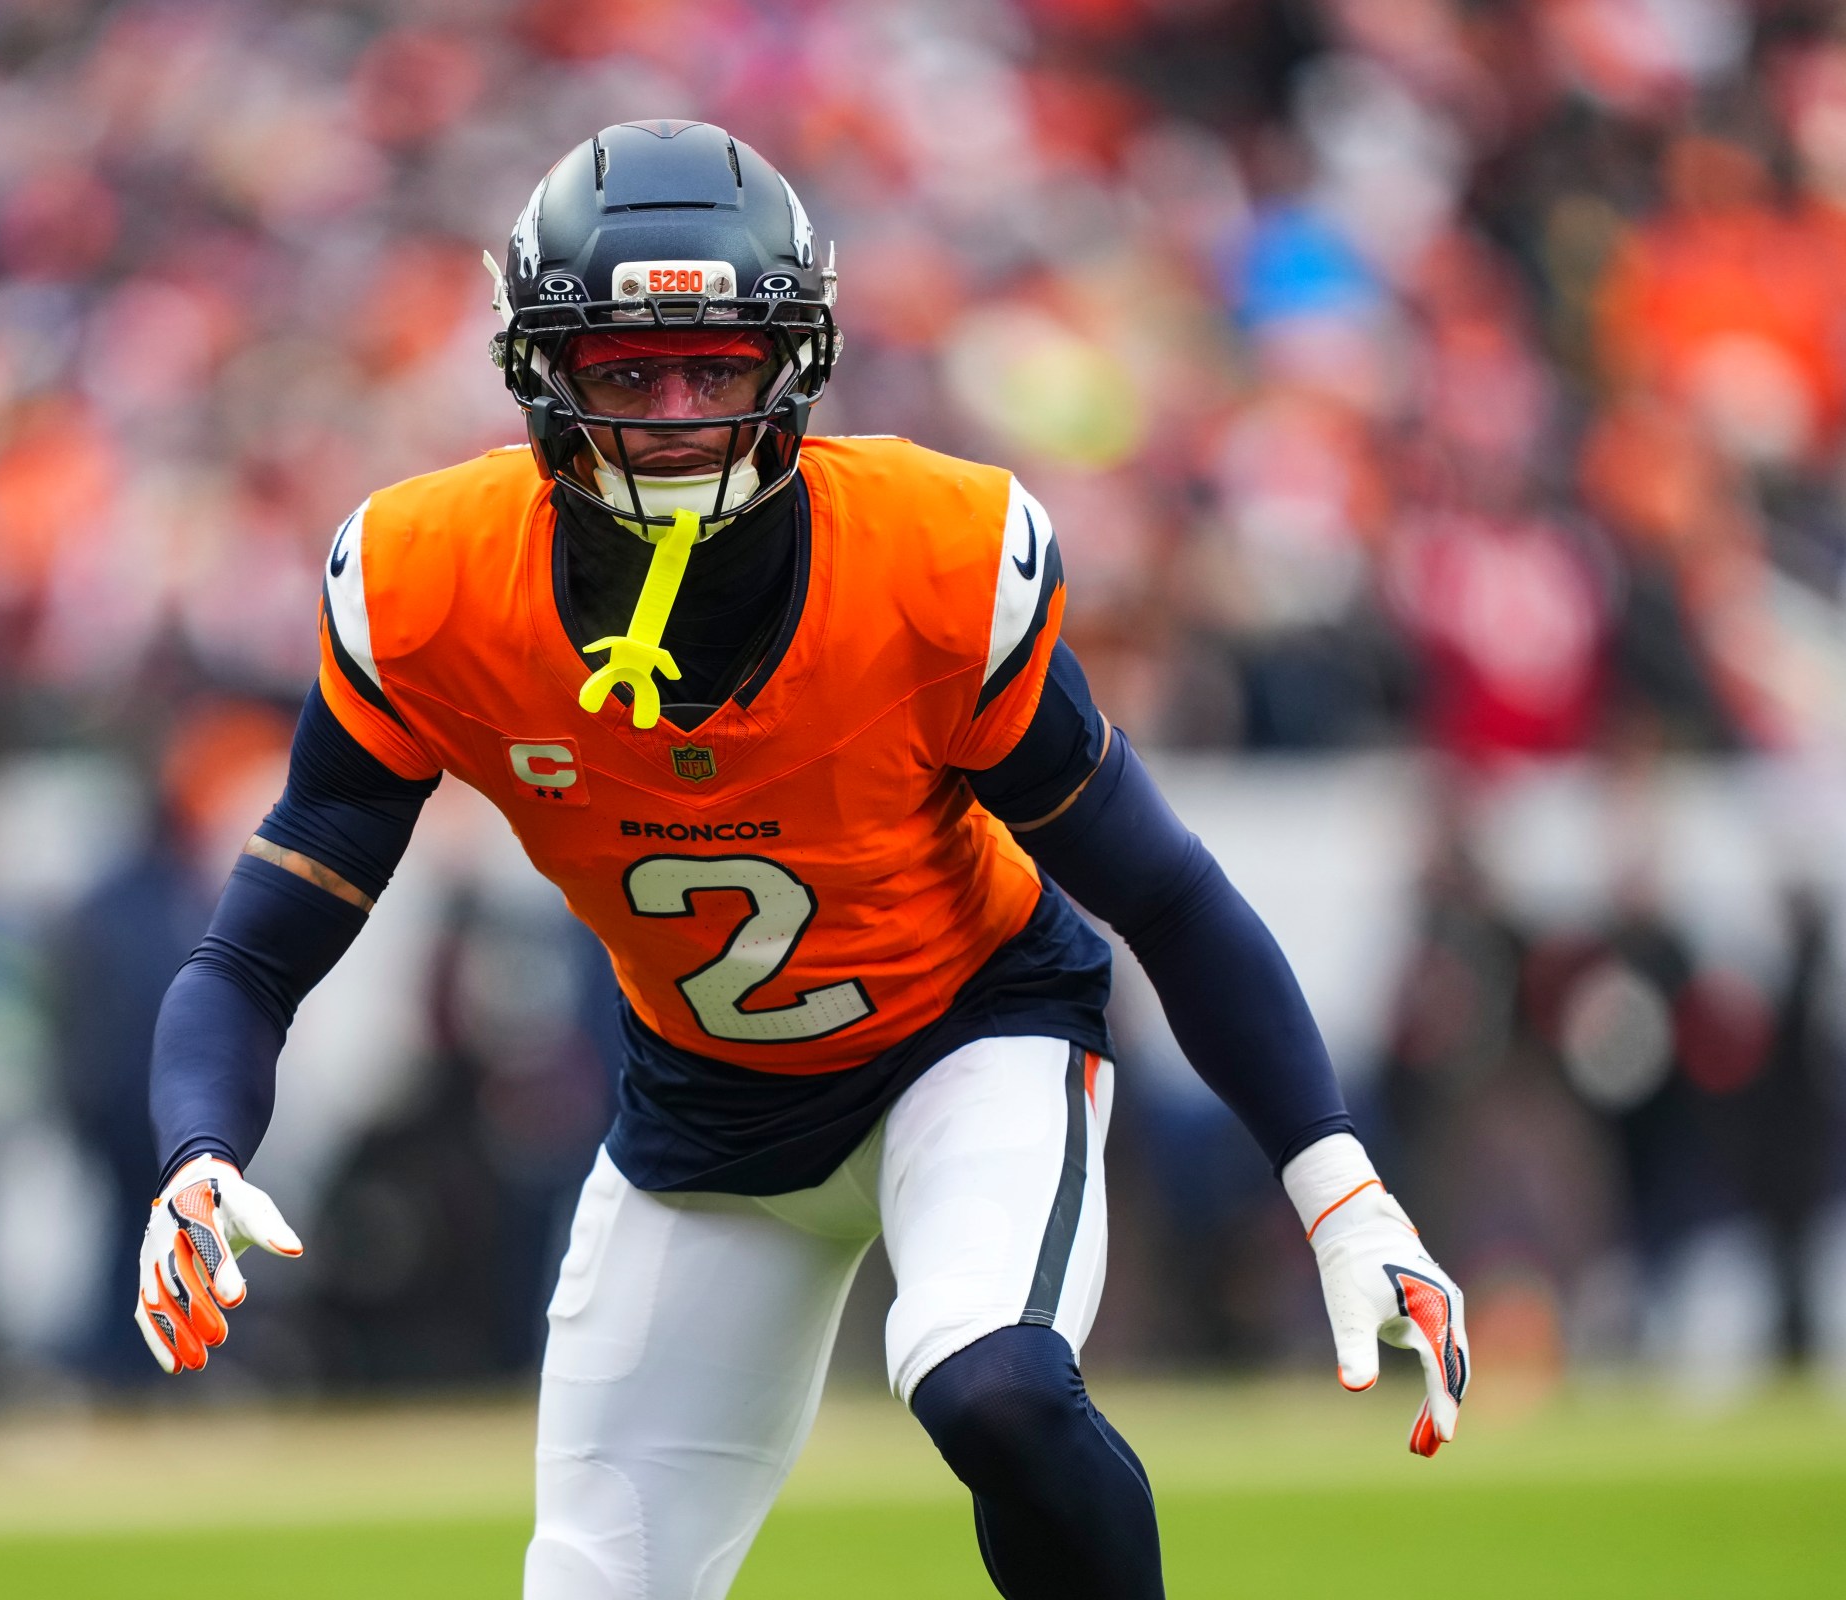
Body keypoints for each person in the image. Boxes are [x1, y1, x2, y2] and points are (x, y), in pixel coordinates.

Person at [134, 121, 1470, 1600]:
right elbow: (258, 946)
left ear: (794, 365)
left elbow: (1163, 889)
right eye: (628, 373)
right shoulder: (429, 583)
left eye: (716, 366)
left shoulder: (929, 557)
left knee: (993, 1386)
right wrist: (199, 1151)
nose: (679, 415)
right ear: (542, 379)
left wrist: (1340, 1187)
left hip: (966, 1037)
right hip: (703, 1115)